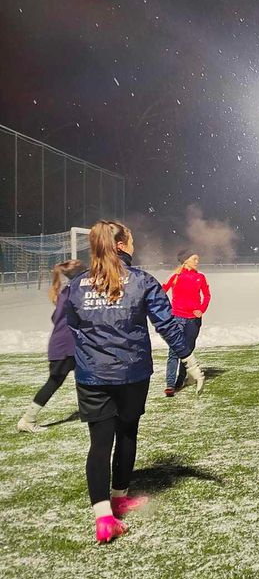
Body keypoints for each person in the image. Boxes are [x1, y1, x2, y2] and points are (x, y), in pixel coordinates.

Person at [63, 220, 199, 544]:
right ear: (122, 245)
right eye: (132, 241)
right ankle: (118, 496)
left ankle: (104, 518)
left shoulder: (77, 285)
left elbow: (73, 326)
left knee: (99, 443)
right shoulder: (141, 281)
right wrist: (189, 359)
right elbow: (166, 324)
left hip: (92, 376)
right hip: (130, 374)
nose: (134, 246)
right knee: (126, 433)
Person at [17, 259, 86, 433]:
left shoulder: (67, 291)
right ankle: (27, 419)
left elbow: (55, 318)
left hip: (63, 344)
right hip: (66, 346)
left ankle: (90, 412)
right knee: (56, 381)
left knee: (84, 377)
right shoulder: (75, 291)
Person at [161, 248, 210, 396]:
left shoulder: (200, 277)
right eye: (194, 258)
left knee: (187, 352)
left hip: (194, 321)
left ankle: (180, 380)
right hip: (177, 319)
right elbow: (161, 292)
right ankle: (170, 385)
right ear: (186, 260)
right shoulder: (175, 276)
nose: (197, 261)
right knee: (174, 352)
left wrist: (201, 309)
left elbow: (207, 295)